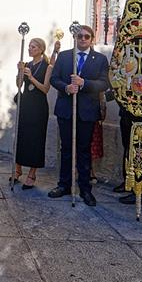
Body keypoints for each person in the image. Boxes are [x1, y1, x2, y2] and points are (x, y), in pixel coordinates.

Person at [48, 24, 108, 206]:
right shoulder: (65, 56)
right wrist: (66, 87)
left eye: (86, 36)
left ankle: (85, 189)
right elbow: (54, 78)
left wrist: (84, 83)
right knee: (66, 149)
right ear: (75, 38)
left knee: (83, 151)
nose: (83, 39)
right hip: (67, 109)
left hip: (87, 112)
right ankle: (64, 184)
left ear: (92, 39)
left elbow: (104, 84)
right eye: (80, 36)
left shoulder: (100, 59)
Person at [13, 38, 54, 189]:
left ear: (41, 49)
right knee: (22, 136)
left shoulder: (47, 66)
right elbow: (19, 85)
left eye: (33, 47)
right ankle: (17, 170)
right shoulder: (27, 65)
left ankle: (32, 174)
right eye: (29, 47)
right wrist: (19, 72)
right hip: (26, 105)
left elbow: (45, 89)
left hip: (38, 107)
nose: (30, 49)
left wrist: (31, 77)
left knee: (35, 139)